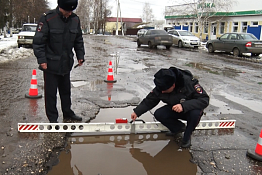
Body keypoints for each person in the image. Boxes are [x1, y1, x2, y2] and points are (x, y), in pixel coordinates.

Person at [33, 0, 85, 123]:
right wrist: (42, 60)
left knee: (66, 91)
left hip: (66, 63)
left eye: (71, 11)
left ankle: (67, 113)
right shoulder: (48, 19)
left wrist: (80, 55)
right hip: (50, 64)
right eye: (66, 11)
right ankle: (53, 118)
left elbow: (78, 40)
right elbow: (38, 42)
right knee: (51, 94)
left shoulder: (75, 20)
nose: (69, 13)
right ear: (60, 7)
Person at [131, 67, 209, 148]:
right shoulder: (161, 86)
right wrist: (137, 112)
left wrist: (184, 106)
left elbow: (204, 99)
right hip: (175, 109)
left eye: (165, 90)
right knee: (159, 114)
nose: (162, 92)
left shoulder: (189, 83)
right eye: (160, 89)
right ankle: (178, 128)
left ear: (173, 85)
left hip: (189, 110)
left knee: (195, 113)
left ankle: (187, 137)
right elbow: (149, 100)